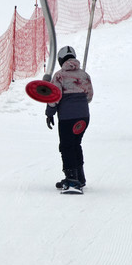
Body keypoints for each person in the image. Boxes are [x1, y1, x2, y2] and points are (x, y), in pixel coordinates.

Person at [45, 46, 94, 192]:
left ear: (61, 60)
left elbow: (54, 96)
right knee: (75, 144)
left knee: (66, 146)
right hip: (84, 116)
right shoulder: (84, 75)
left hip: (67, 117)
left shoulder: (59, 76)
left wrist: (50, 112)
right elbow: (89, 96)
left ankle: (71, 179)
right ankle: (79, 177)